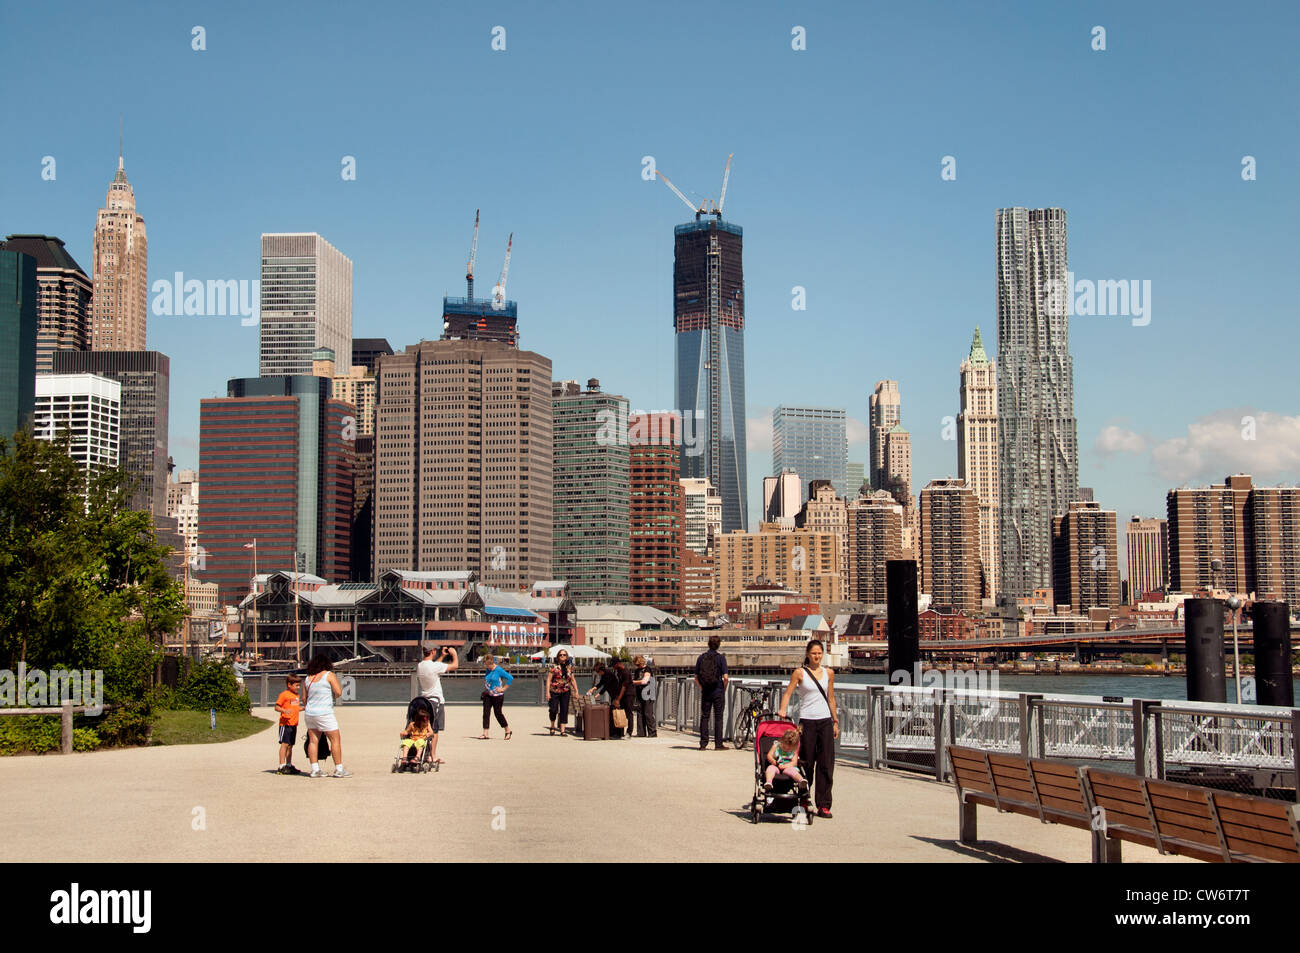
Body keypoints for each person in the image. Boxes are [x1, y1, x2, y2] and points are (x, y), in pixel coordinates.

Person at [778, 638, 838, 818]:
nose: (817, 656)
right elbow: (788, 692)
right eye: (813, 653)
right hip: (807, 721)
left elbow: (831, 698)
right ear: (807, 654)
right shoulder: (800, 673)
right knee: (806, 762)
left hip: (825, 720)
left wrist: (835, 721)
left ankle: (824, 804)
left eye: (819, 653)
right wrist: (782, 709)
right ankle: (804, 799)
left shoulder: (829, 673)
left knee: (826, 763)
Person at [301, 655, 349, 778]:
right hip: (325, 713)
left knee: (313, 741)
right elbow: (338, 692)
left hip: (310, 713)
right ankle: (339, 769)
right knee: (335, 740)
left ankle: (315, 769)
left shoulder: (308, 678)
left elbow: (304, 698)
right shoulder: (329, 675)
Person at [416, 644, 456, 764]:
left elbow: (434, 668)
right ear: (433, 651)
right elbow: (455, 666)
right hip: (436, 701)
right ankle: (432, 756)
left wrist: (442, 656)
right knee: (435, 730)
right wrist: (454, 654)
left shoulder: (420, 665)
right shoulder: (434, 666)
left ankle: (427, 754)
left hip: (424, 700)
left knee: (425, 727)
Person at [694, 635, 729, 750]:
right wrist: (723, 689)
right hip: (718, 689)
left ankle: (703, 744)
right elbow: (726, 677)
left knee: (705, 716)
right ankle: (718, 744)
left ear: (708, 644)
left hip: (706, 691)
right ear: (719, 645)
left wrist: (702, 687)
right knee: (718, 717)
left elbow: (696, 677)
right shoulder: (721, 658)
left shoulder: (701, 657)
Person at [763, 727, 809, 795]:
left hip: (788, 767)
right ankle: (769, 782)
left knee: (792, 771)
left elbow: (794, 763)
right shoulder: (776, 746)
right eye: (784, 747)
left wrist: (785, 766)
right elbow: (769, 755)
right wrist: (773, 761)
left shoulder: (793, 751)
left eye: (789, 749)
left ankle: (801, 781)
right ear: (781, 741)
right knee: (770, 769)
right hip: (776, 765)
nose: (786, 750)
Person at [545, 649, 579, 736]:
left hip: (566, 691)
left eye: (564, 655)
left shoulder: (569, 667)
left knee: (564, 710)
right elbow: (549, 680)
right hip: (554, 691)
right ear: (558, 656)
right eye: (560, 655)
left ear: (567, 656)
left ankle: (562, 730)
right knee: (553, 709)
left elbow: (573, 680)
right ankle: (552, 726)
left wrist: (576, 691)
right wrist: (547, 692)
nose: (562, 656)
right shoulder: (554, 667)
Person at [479, 655, 514, 740]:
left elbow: (510, 678)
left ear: (492, 663)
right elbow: (488, 680)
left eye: (488, 665)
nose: (487, 667)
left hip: (498, 696)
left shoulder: (498, 670)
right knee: (486, 713)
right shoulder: (488, 669)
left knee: (498, 713)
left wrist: (503, 689)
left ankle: (507, 730)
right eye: (485, 665)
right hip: (488, 694)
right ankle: (485, 733)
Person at [274, 674, 302, 774]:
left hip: (294, 724)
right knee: (284, 744)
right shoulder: (284, 694)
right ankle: (281, 765)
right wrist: (284, 710)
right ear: (289, 685)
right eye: (296, 685)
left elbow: (295, 708)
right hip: (285, 724)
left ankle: (289, 765)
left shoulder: (296, 696)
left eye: (299, 686)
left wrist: (304, 708)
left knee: (290, 745)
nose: (298, 688)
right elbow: (277, 707)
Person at [632, 655, 657, 737]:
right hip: (640, 693)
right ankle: (641, 732)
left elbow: (645, 681)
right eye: (636, 665)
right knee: (639, 712)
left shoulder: (647, 669)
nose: (638, 666)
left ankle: (652, 732)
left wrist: (633, 682)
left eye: (638, 664)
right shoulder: (636, 671)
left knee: (648, 713)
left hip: (648, 693)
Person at [611, 659, 633, 740]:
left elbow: (624, 686)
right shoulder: (618, 672)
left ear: (618, 664)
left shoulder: (626, 672)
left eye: (614, 665)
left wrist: (618, 700)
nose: (613, 667)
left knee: (629, 713)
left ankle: (629, 732)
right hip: (622, 694)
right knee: (621, 712)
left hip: (629, 694)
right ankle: (620, 733)